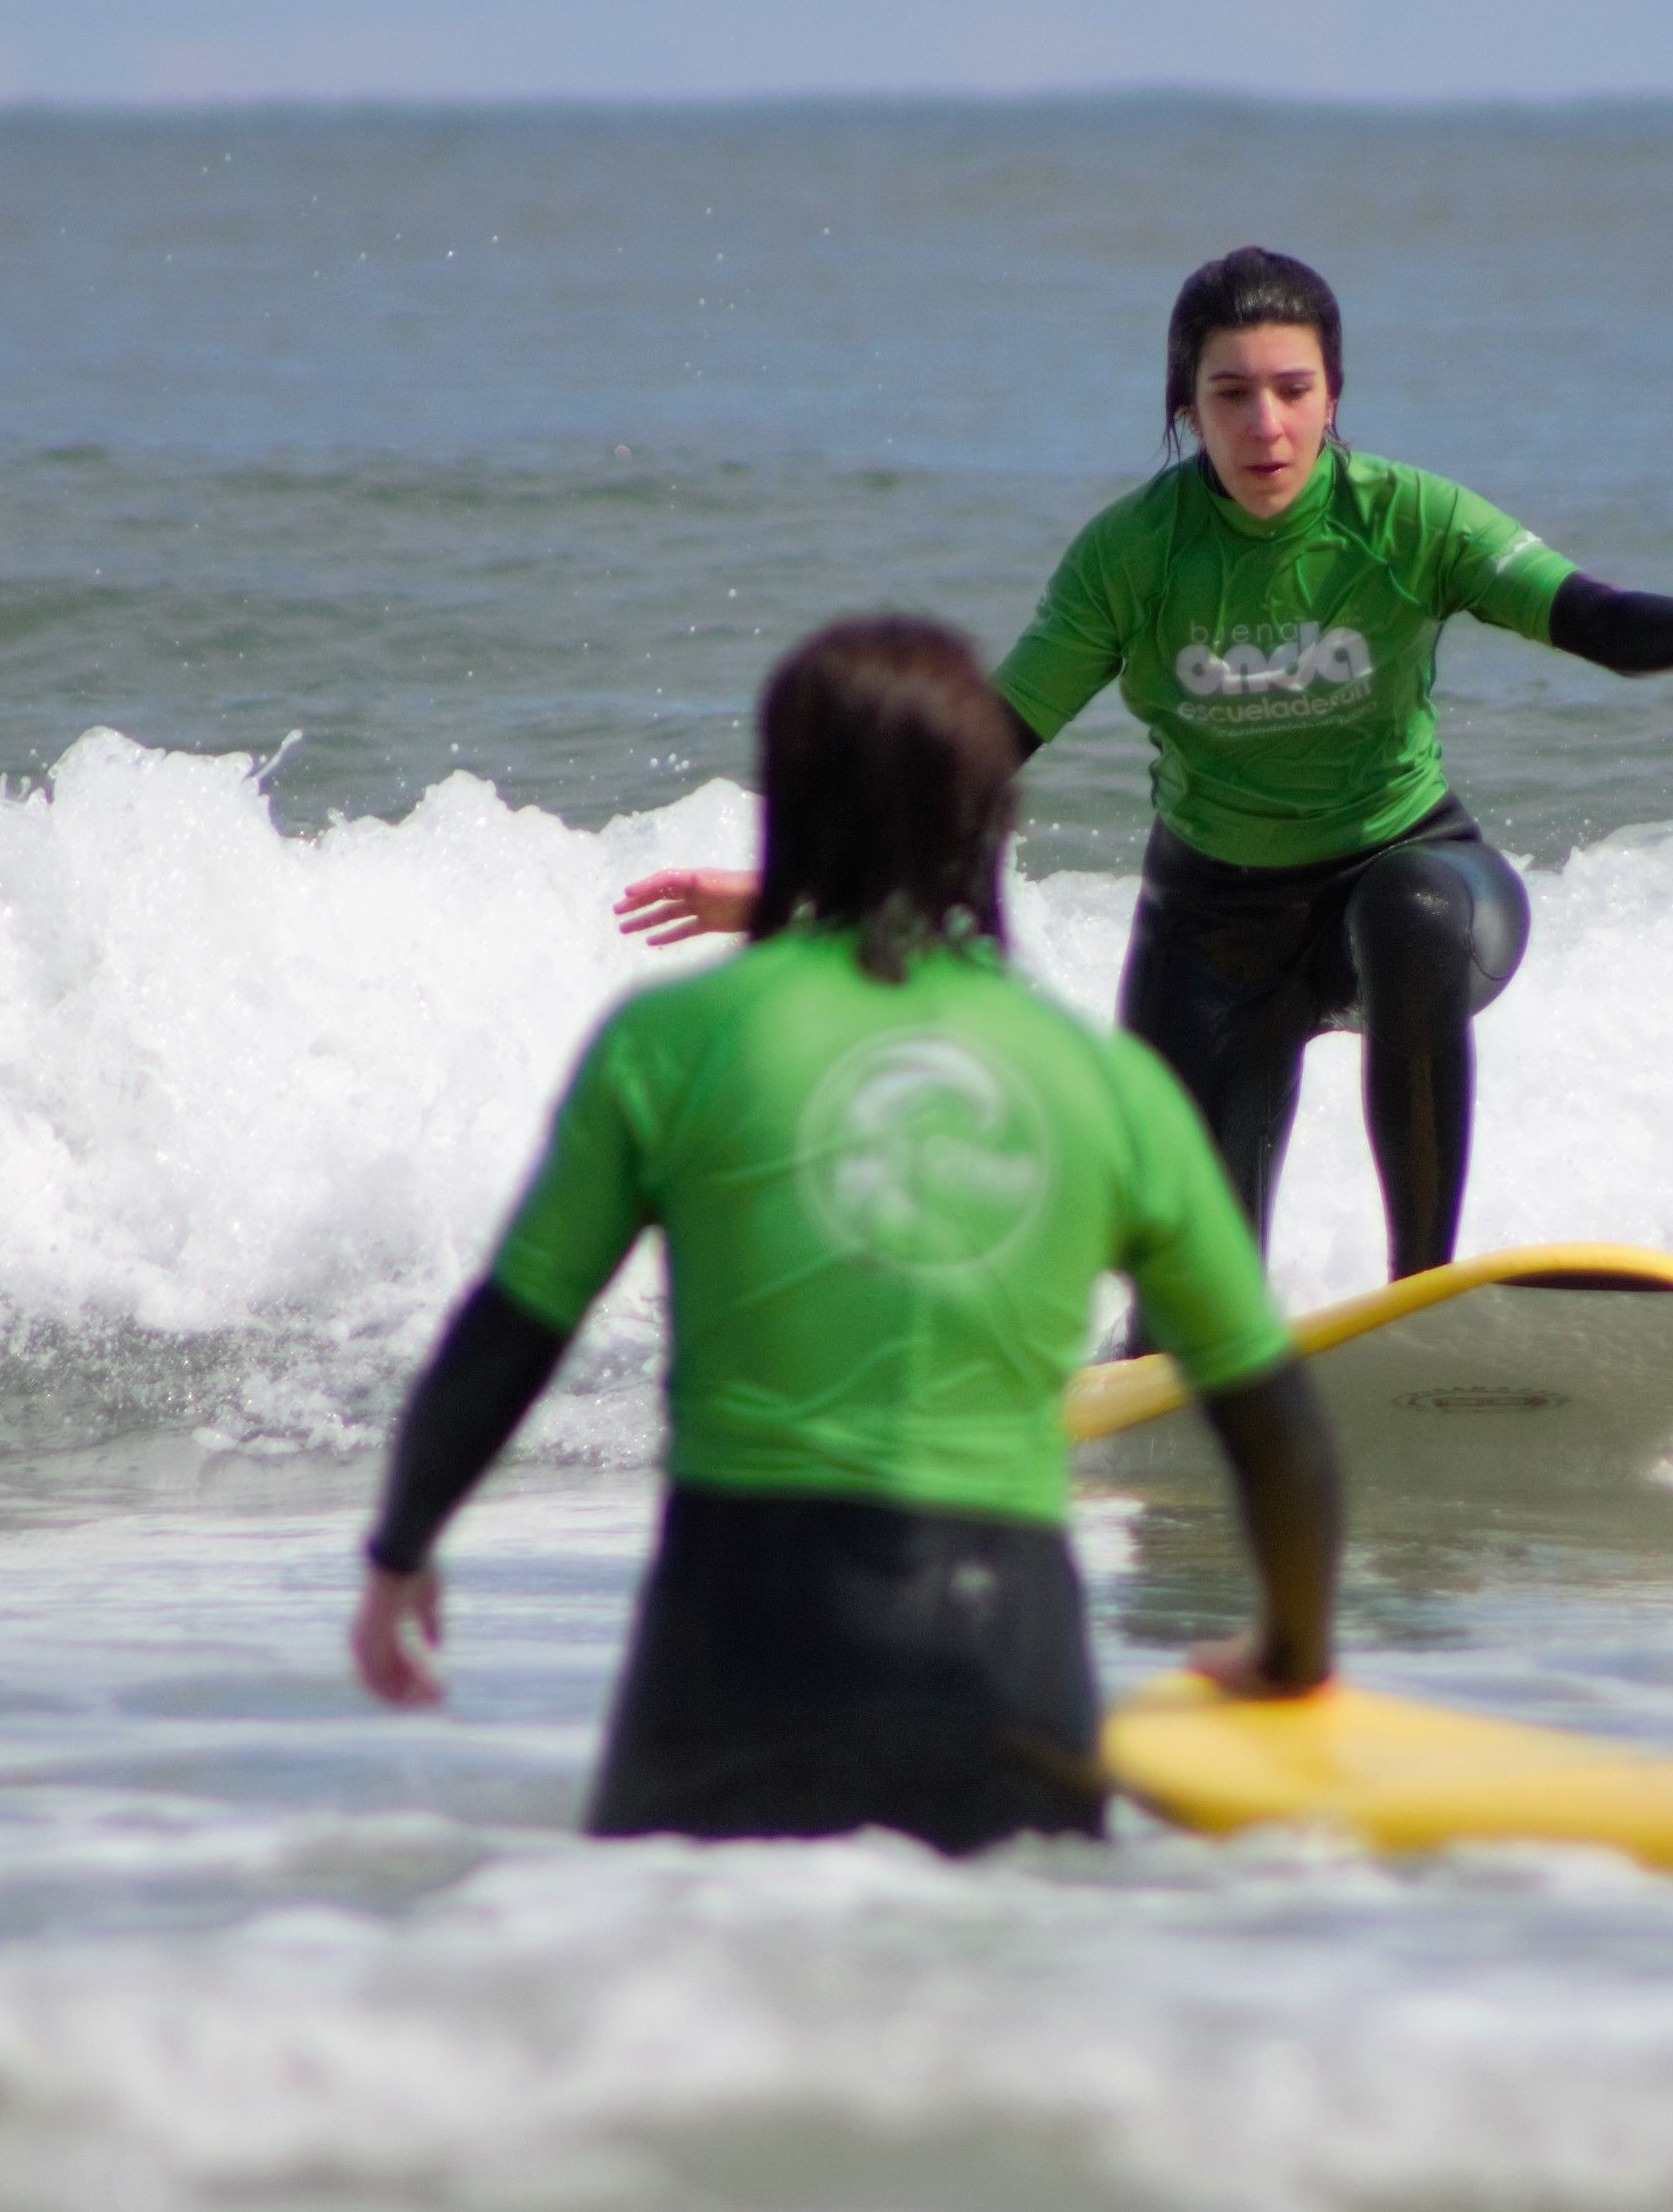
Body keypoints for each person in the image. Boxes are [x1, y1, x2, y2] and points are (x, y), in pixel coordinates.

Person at [620, 248, 1673, 1285]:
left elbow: (1593, 619)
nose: (1264, 423)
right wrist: (808, 894)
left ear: (1335, 395)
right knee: (1180, 1310)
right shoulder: (1131, 554)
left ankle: (1418, 1298)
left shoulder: (1409, 520)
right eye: (1230, 393)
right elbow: (988, 745)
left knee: (1408, 909)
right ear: (1185, 407)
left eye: (1291, 387)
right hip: (1211, 930)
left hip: (1415, 884)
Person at [350, 616, 1346, 1855]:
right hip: (1007, 1669)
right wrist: (1292, 1653)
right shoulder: (1104, 1083)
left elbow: (512, 1331)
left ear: (790, 803)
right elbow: (1273, 1423)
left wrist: (401, 1549)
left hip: (733, 1657)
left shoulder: (674, 1040)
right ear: (992, 816)